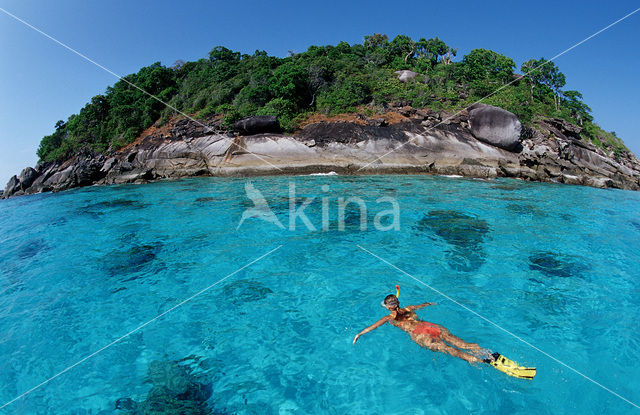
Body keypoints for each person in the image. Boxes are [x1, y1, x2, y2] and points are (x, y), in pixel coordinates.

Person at [352, 293, 490, 365]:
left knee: (446, 348)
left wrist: (359, 334)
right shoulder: (410, 308)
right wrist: (430, 303)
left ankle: (473, 359)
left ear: (388, 307)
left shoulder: (390, 317)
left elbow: (373, 326)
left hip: (419, 333)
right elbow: (424, 304)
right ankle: (482, 351)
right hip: (430, 326)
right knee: (459, 342)